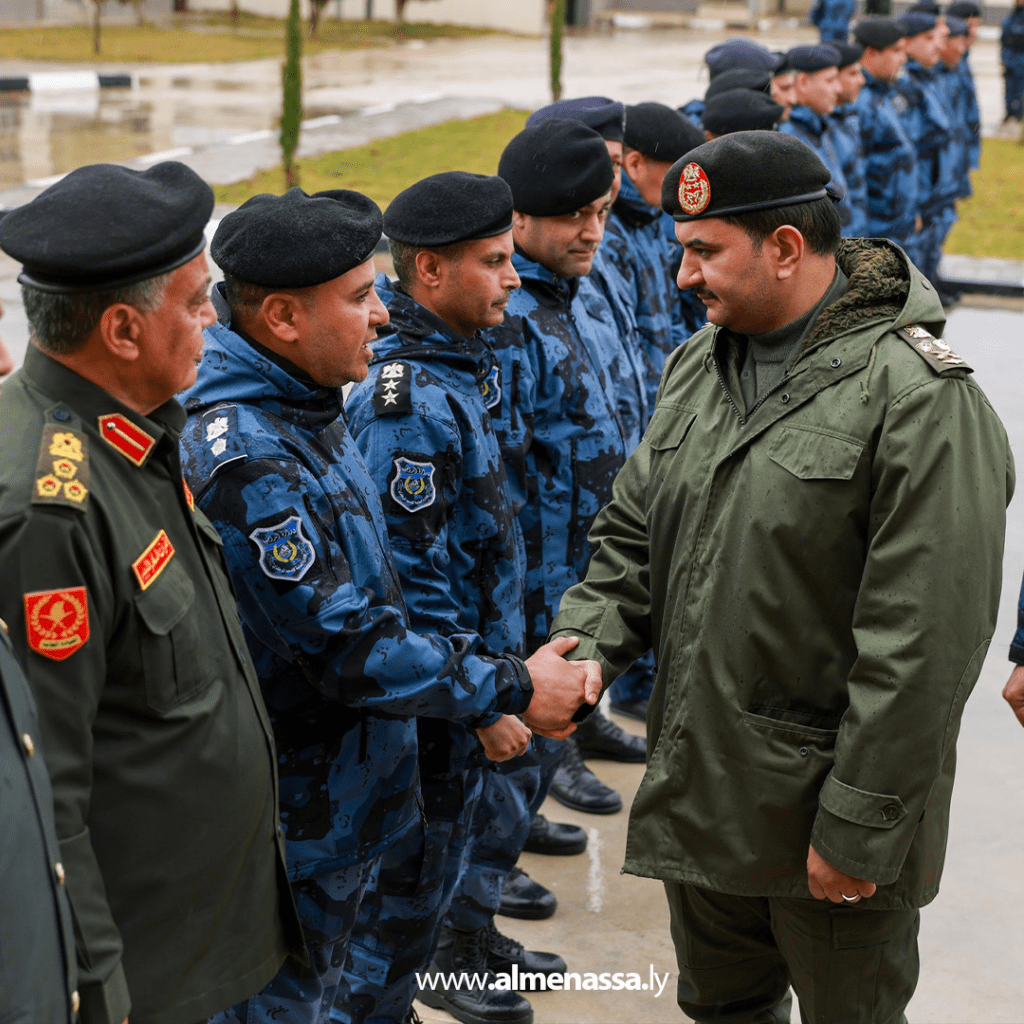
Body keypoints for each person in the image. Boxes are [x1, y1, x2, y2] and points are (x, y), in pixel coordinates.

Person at [549, 130, 1013, 1021]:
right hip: (705, 802)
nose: (682, 277)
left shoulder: (918, 401)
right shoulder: (699, 366)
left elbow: (922, 647)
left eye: (703, 253)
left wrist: (859, 826)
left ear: (787, 248)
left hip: (821, 822)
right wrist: (588, 646)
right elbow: (632, 535)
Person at [178, 186, 600, 1024]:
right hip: (303, 825)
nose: (381, 316)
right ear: (284, 317)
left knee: (375, 987)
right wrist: (507, 687)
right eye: (362, 296)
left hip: (357, 796)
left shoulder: (301, 407)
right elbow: (346, 642)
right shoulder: (249, 454)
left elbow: (388, 586)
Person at [0, 161, 303, 1024]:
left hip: (199, 940)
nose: (213, 320)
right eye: (196, 300)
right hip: (143, 982)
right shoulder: (49, 511)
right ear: (125, 331)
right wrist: (99, 994)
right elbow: (44, 793)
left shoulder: (133, 435)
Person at [338, 172, 568, 1024]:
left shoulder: (459, 367)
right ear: (428, 272)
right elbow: (408, 581)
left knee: (429, 893)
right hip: (438, 714)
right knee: (392, 928)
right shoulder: (408, 403)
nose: (513, 277)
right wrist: (481, 707)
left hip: (470, 680)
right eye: (494, 261)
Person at [495, 118, 634, 822]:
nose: (592, 231)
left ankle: (531, 806)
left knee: (559, 713)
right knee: (517, 733)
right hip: (535, 576)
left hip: (589, 561)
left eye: (601, 213)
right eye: (573, 216)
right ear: (519, 218)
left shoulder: (579, 295)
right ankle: (490, 872)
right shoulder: (508, 319)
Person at [896, 11, 955, 289]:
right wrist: (916, 202)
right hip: (916, 192)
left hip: (934, 188)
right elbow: (911, 150)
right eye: (929, 38)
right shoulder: (904, 87)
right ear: (907, 44)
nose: (938, 45)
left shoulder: (928, 77)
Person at [779, 44, 861, 237]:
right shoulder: (789, 138)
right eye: (830, 80)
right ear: (803, 83)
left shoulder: (819, 127)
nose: (838, 88)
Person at [853, 18, 919, 253]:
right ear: (871, 53)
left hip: (898, 222)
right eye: (896, 51)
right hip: (878, 229)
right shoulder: (860, 102)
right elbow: (855, 174)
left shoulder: (884, 92)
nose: (904, 58)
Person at [829, 41, 869, 238]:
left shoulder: (848, 117)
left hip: (857, 230)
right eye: (852, 74)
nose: (861, 80)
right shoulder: (824, 126)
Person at [1002, 0, 1024, 122]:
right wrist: (1003, 59)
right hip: (1010, 61)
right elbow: (1003, 40)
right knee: (1009, 89)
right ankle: (1009, 113)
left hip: (1022, 61)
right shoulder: (1010, 17)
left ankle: (1018, 114)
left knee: (1020, 91)